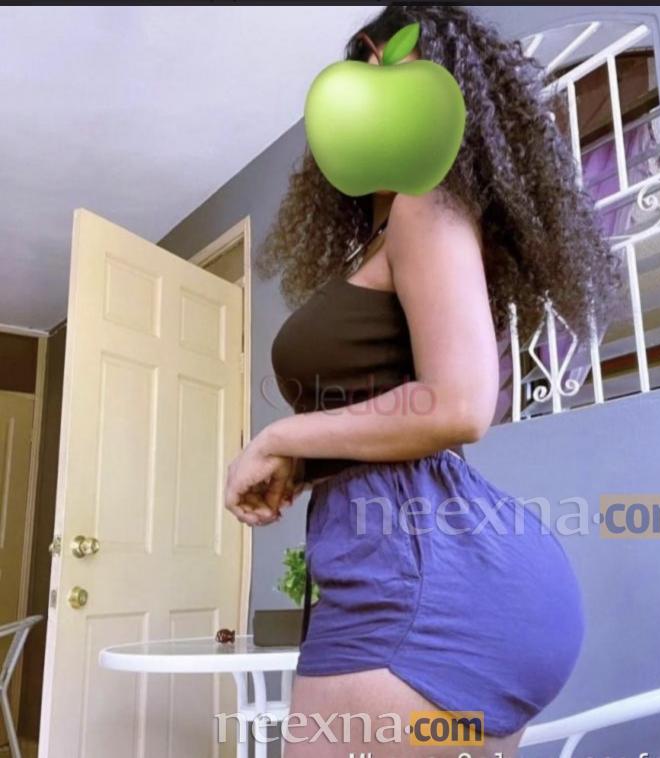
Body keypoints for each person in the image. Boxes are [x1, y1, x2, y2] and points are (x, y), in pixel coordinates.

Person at [225, 5, 623, 756]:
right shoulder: (387, 234)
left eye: (406, 75)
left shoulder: (425, 205)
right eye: (367, 72)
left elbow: (460, 404)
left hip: (422, 591)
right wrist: (302, 462)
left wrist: (279, 435)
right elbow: (395, 410)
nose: (381, 93)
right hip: (429, 580)